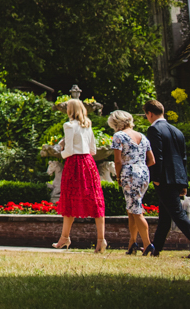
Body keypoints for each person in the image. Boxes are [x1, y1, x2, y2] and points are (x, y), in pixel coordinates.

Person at [142, 98, 190, 259]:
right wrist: (184, 182)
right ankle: (155, 248)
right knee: (165, 215)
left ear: (149, 114)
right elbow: (183, 158)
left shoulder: (154, 130)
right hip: (177, 177)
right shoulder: (177, 131)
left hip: (164, 178)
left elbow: (156, 156)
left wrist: (156, 177)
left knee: (177, 214)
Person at [51, 97, 106, 251]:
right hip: (88, 163)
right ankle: (101, 240)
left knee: (69, 199)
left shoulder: (68, 126)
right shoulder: (87, 125)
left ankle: (64, 237)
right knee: (95, 200)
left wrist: (61, 149)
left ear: (70, 110)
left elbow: (68, 150)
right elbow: (93, 150)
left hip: (74, 164)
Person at [106, 110, 152, 255]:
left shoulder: (118, 136)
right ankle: (132, 243)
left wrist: (119, 177)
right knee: (132, 209)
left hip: (129, 174)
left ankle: (148, 244)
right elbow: (152, 160)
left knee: (136, 211)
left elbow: (118, 161)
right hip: (144, 173)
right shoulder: (142, 136)